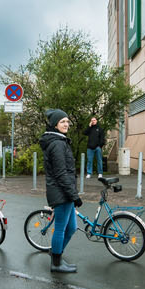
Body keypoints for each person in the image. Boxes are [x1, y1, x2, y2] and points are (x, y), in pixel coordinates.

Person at [42, 110, 83, 273]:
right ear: (54, 125)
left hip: (65, 191)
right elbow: (60, 173)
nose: (66, 124)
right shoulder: (57, 144)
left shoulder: (59, 141)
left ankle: (55, 253)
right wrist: (74, 196)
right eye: (62, 122)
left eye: (67, 121)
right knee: (60, 228)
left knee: (71, 227)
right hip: (61, 192)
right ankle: (56, 263)